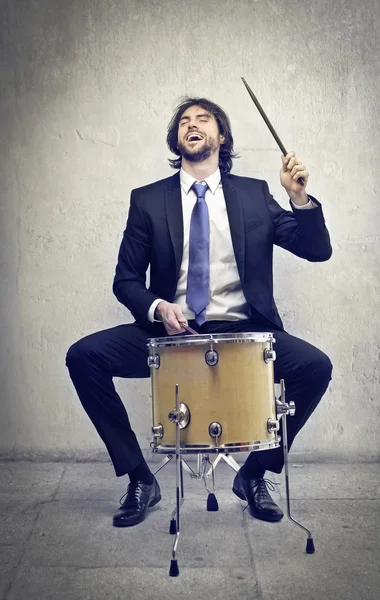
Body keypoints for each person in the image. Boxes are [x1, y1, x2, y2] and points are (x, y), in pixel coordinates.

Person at [66, 96, 333, 528]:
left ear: (220, 136)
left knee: (316, 367)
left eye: (203, 119)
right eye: (184, 122)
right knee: (83, 357)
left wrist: (299, 199)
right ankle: (139, 478)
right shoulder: (148, 201)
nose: (192, 125)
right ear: (177, 139)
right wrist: (157, 307)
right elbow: (126, 280)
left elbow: (318, 250)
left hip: (245, 333)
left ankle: (254, 474)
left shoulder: (254, 194)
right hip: (172, 331)